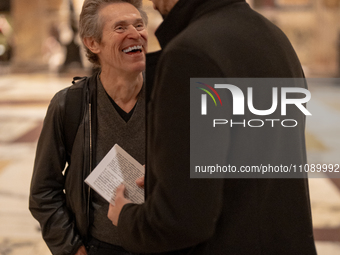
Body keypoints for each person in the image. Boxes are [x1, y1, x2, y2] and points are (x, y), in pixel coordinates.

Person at [108, 0, 317, 254]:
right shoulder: (271, 36)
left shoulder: (190, 54)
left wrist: (126, 216)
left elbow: (181, 220)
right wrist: (168, 174)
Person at [29, 0, 148, 254]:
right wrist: (74, 250)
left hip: (163, 245)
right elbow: (43, 193)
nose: (135, 33)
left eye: (139, 25)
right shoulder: (68, 105)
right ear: (93, 43)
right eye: (120, 27)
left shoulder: (171, 97)